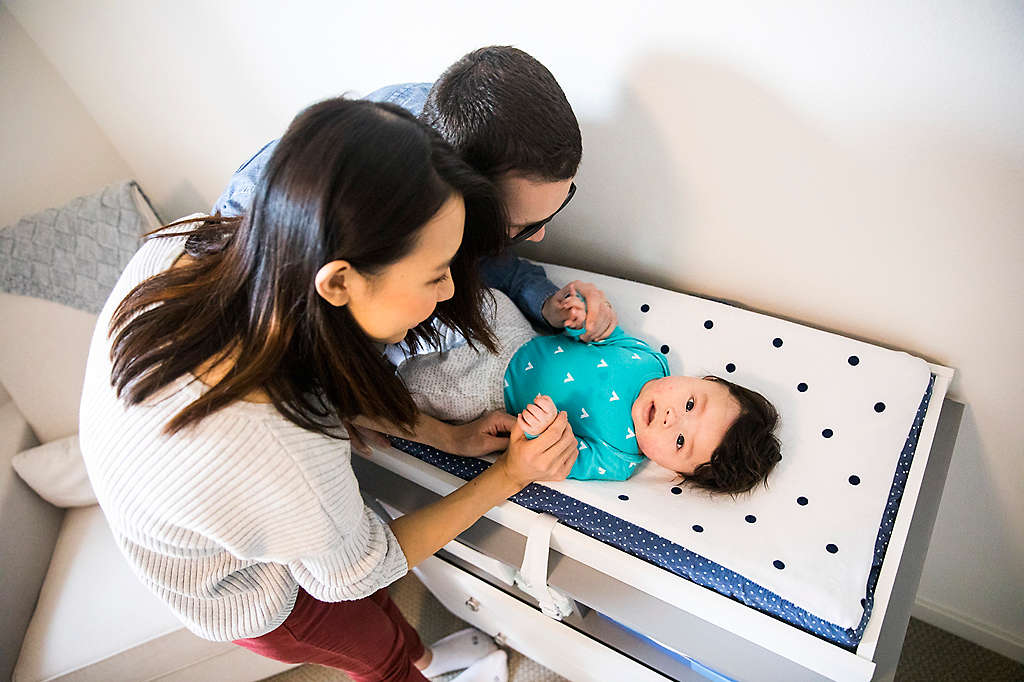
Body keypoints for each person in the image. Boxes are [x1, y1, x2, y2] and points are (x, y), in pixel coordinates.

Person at [79, 98, 579, 682]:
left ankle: (428, 655)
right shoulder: (279, 448)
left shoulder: (200, 245)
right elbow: (363, 570)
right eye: (435, 273)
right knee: (380, 656)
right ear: (339, 281)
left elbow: (328, 379)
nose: (447, 292)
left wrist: (448, 435)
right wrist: (509, 477)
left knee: (387, 626)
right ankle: (415, 665)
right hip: (245, 597)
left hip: (185, 501)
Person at [214, 46, 619, 368]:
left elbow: (480, 255)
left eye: (551, 213)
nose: (540, 236)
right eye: (520, 226)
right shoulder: (340, 212)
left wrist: (545, 300)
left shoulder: (466, 127)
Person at [400, 288, 782, 494]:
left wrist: (541, 428)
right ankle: (404, 309)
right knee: (490, 298)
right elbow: (597, 336)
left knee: (423, 388)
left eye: (680, 441)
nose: (670, 418)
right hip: (517, 337)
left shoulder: (618, 460)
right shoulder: (648, 360)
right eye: (689, 403)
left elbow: (558, 457)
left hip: (489, 392)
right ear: (705, 381)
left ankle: (381, 369)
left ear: (674, 471)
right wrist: (579, 318)